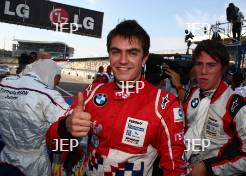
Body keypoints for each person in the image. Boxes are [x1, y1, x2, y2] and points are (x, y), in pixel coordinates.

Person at [46, 20, 186, 175]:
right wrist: (65, 127)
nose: (123, 60)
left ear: (144, 58)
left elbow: (176, 169)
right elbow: (52, 144)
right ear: (109, 55)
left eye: (132, 52)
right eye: (116, 52)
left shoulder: (164, 105)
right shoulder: (92, 92)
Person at [183, 40, 246, 176]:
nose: (203, 71)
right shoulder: (192, 94)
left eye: (211, 65)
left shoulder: (238, 106)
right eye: (199, 64)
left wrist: (209, 168)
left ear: (224, 69)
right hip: (185, 166)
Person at [0, 59, 69, 176]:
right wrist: (72, 149)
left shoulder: (4, 83)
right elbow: (70, 124)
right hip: (34, 164)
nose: (57, 84)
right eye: (57, 79)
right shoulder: (47, 94)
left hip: (6, 156)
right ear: (50, 73)